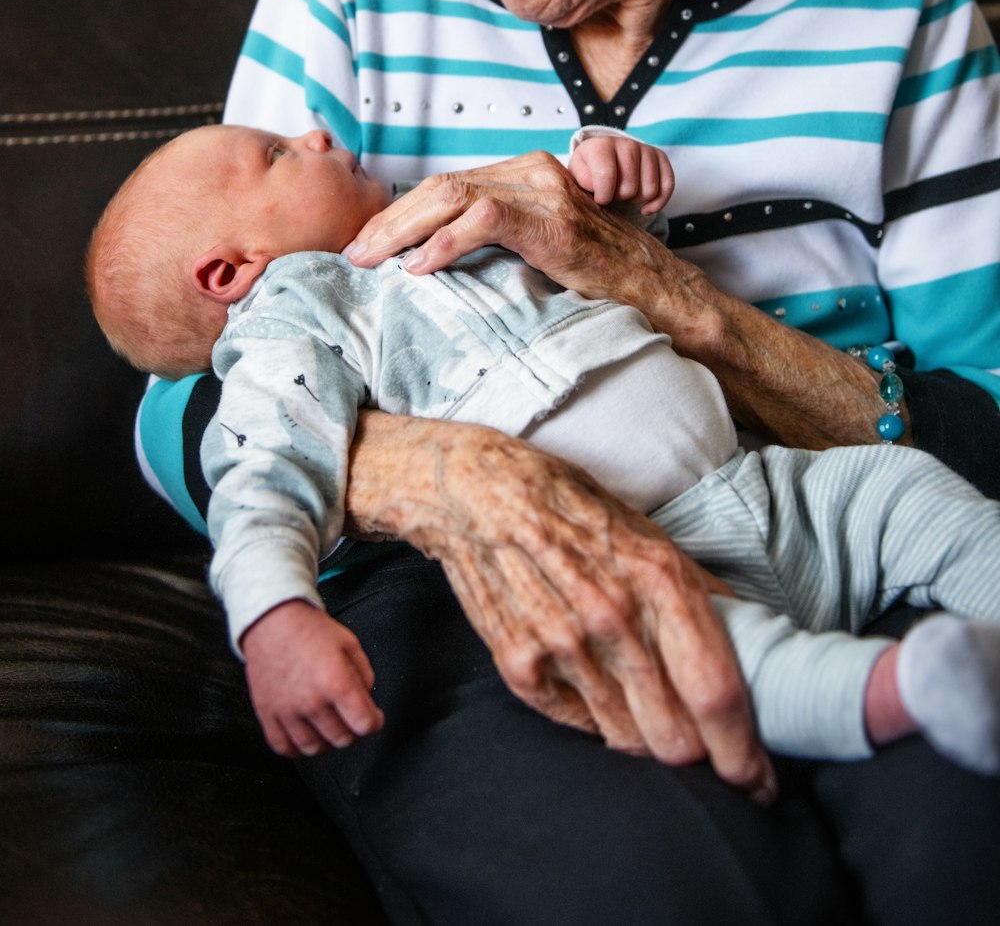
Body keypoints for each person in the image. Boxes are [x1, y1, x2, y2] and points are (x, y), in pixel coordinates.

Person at [133, 0, 1000, 921]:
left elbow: (977, 430)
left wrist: (658, 291)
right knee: (670, 889)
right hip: (466, 573)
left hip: (824, 515)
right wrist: (458, 476)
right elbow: (187, 381)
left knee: (963, 839)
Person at [90, 120, 1000, 776]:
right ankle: (902, 692)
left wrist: (614, 189)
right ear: (231, 271)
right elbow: (260, 471)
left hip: (773, 478)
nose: (320, 131)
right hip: (639, 560)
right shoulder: (296, 324)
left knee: (905, 490)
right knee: (714, 665)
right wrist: (274, 614)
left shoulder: (454, 213)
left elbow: (609, 270)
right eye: (278, 154)